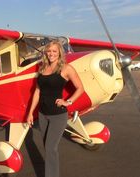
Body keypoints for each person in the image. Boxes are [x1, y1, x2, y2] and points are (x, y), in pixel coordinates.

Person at [27, 40, 84, 177]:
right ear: (46, 52)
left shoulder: (66, 68)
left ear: (59, 53)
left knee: (50, 148)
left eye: (54, 51)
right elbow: (37, 92)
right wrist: (30, 113)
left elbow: (80, 88)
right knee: (47, 147)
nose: (51, 54)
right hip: (42, 114)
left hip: (58, 115)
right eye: (49, 51)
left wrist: (68, 101)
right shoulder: (42, 68)